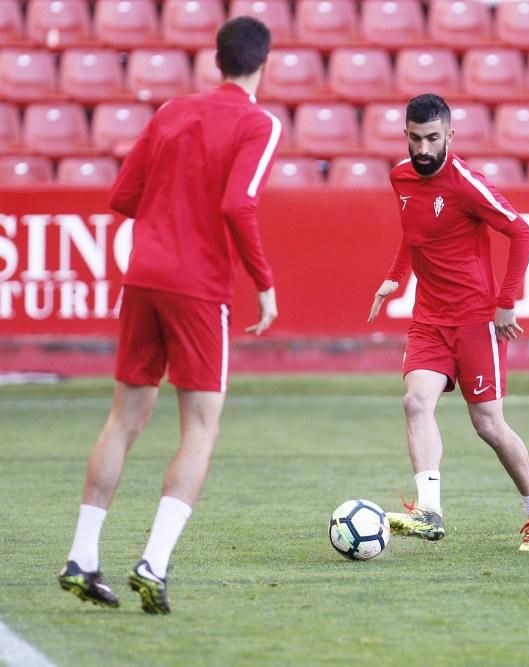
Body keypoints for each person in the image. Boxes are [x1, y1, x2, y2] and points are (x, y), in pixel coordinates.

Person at [57, 16, 281, 613]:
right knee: (200, 427)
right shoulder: (259, 122)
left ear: (216, 59)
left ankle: (81, 557)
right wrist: (264, 283)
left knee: (124, 419)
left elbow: (121, 197)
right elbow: (239, 202)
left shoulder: (172, 111)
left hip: (144, 275)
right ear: (264, 63)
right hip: (199, 286)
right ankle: (153, 562)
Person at [368, 93, 529, 551]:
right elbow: (413, 236)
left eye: (433, 138)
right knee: (415, 403)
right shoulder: (401, 177)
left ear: (450, 135)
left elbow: (522, 231)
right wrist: (395, 279)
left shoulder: (467, 182)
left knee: (488, 425)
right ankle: (430, 510)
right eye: (416, 139)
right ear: (406, 136)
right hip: (429, 319)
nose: (424, 149)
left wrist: (505, 301)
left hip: (475, 321)